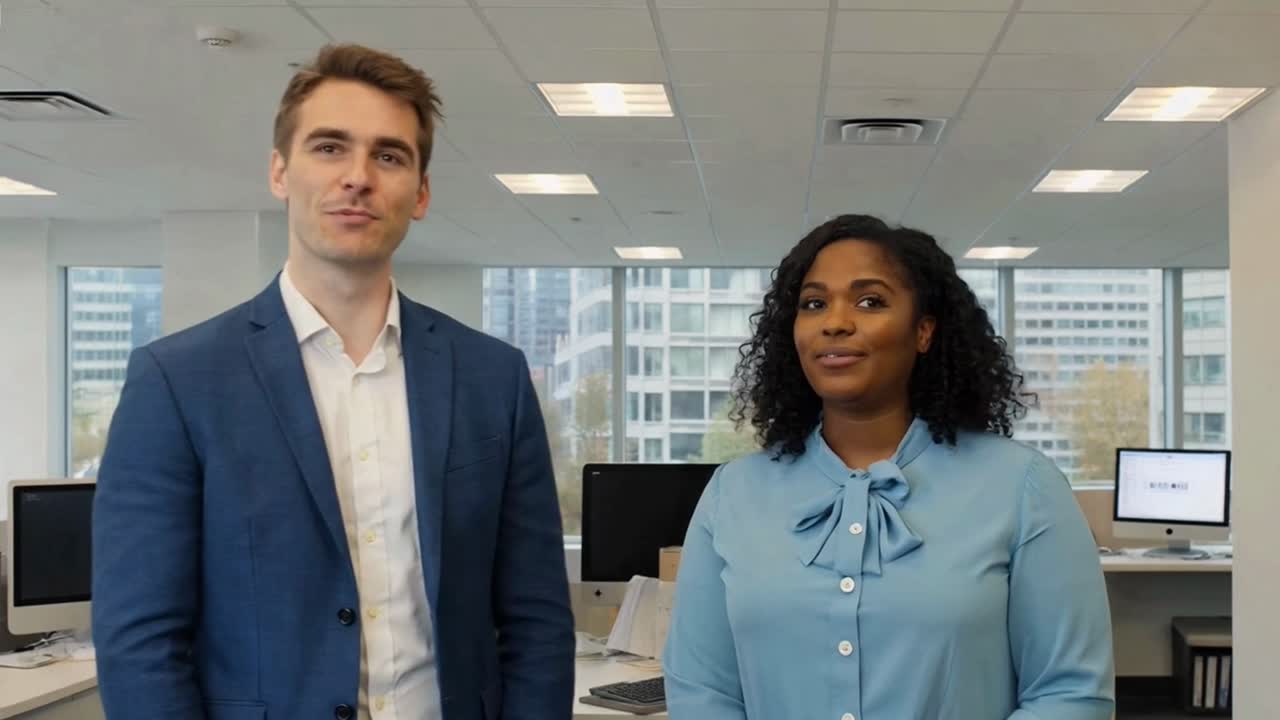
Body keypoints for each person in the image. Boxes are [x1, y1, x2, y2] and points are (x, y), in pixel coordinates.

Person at [91, 44, 574, 720]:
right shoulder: (178, 381)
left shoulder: (493, 378)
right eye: (328, 148)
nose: (358, 177)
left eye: (389, 156)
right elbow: (138, 642)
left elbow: (538, 620)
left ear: (421, 193)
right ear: (280, 172)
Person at [663, 214, 1114, 719]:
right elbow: (701, 692)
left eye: (870, 301)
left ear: (923, 331)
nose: (835, 322)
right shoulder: (732, 493)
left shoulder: (1023, 486)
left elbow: (1070, 694)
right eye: (814, 303)